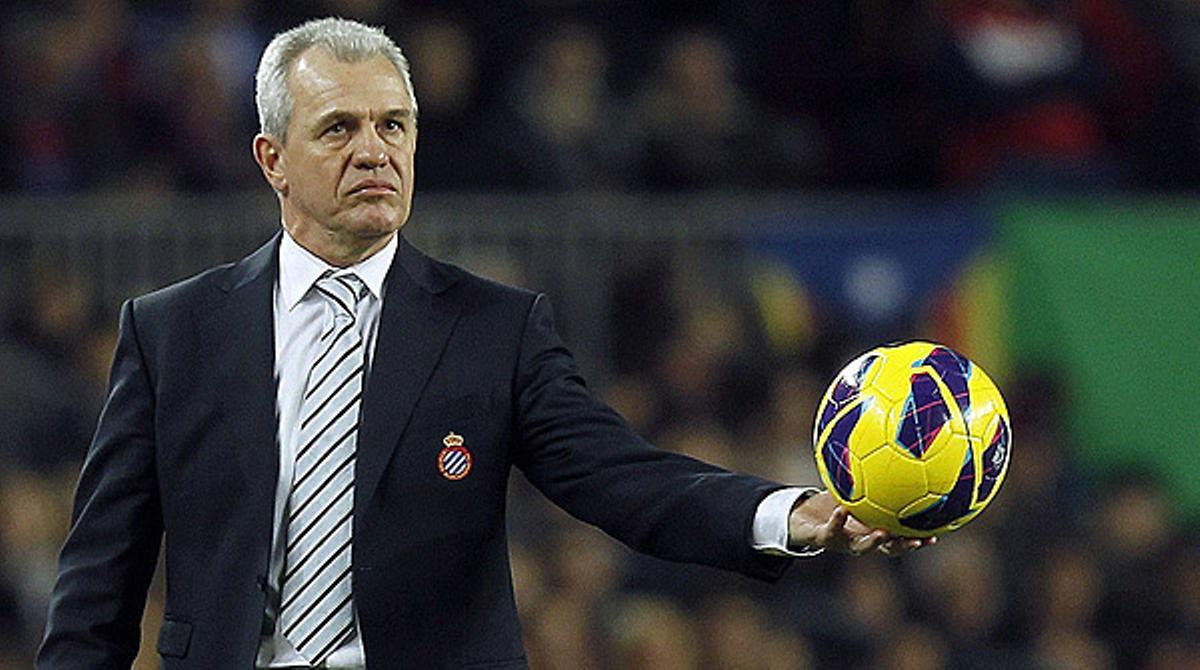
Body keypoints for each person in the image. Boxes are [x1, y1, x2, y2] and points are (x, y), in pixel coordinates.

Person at [37, 18, 931, 669]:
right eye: (339, 128)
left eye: (394, 125)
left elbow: (624, 479)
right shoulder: (171, 331)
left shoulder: (496, 329)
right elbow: (99, 582)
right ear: (272, 158)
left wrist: (789, 514)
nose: (375, 151)